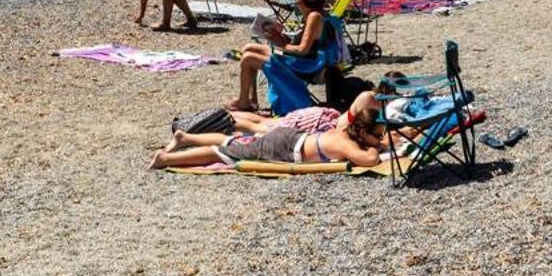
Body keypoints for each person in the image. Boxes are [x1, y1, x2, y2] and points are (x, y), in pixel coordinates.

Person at [151, 92, 390, 170]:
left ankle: (187, 137)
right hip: (283, 146)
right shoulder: (347, 145)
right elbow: (369, 160)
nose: (379, 140)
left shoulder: (344, 133)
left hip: (290, 138)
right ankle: (166, 158)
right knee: (222, 153)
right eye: (377, 135)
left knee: (234, 141)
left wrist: (372, 140)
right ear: (362, 133)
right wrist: (373, 147)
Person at [231, 0, 336, 112]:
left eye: (297, 2)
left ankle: (243, 102)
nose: (296, 6)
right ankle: (251, 100)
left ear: (307, 3)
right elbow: (304, 45)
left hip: (308, 65)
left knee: (248, 59)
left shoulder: (314, 17)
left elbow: (303, 50)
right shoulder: (315, 15)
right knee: (249, 48)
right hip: (306, 58)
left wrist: (282, 45)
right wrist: (280, 38)